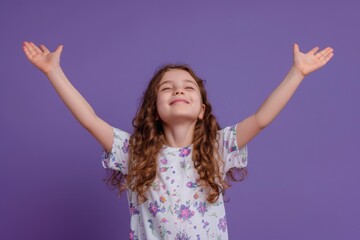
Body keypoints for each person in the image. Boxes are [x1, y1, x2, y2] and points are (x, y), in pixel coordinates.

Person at [22, 41, 334, 239]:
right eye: (167, 88)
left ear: (201, 110)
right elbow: (89, 120)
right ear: (153, 109)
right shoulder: (135, 153)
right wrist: (54, 73)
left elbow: (262, 118)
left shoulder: (217, 149)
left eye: (188, 87)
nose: (179, 91)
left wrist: (298, 72)